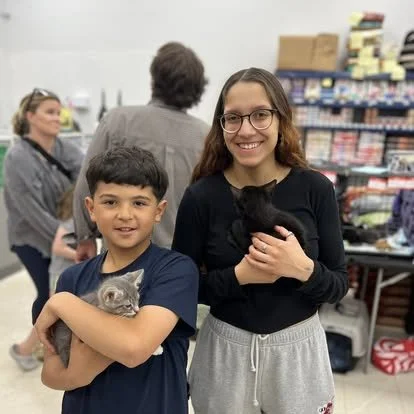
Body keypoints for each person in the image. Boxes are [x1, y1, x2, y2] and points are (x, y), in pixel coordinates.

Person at [172, 68, 349, 414]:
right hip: (224, 353)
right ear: (221, 126)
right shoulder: (200, 197)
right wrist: (239, 277)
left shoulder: (316, 189)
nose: (246, 130)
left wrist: (303, 269)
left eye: (260, 115)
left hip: (299, 354)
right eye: (233, 118)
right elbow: (181, 286)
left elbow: (338, 284)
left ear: (281, 119)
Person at [34, 146, 198, 414]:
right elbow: (50, 374)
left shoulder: (174, 270)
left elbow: (133, 348)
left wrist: (62, 303)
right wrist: (80, 374)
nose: (125, 214)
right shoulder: (72, 278)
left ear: (159, 210)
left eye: (139, 203)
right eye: (110, 202)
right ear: (91, 208)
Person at [74, 41, 209, 262]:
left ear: (154, 78)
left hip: (120, 254)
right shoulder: (206, 135)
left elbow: (86, 185)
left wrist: (84, 237)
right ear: (198, 86)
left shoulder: (119, 121)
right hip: (180, 259)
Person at [4, 88, 83, 371]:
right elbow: (29, 209)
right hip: (31, 238)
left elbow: (85, 180)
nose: (56, 117)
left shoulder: (65, 149)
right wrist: (63, 237)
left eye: (58, 111)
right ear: (30, 117)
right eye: (49, 112)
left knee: (57, 292)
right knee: (47, 292)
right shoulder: (17, 157)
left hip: (61, 233)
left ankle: (35, 346)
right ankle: (32, 348)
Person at [49, 186, 77, 295]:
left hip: (62, 272)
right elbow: (58, 248)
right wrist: (81, 257)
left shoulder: (69, 221)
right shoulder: (71, 222)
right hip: (60, 273)